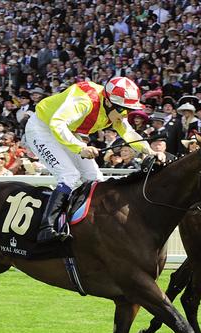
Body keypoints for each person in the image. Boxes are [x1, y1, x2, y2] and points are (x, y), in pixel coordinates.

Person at [25, 76, 163, 243]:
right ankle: (46, 228)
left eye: (127, 108)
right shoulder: (85, 99)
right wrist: (81, 147)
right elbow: (57, 124)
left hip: (68, 131)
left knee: (95, 179)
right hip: (42, 128)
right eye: (121, 108)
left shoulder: (115, 107)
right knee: (69, 175)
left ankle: (90, 228)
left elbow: (128, 133)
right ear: (108, 101)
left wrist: (149, 152)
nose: (124, 113)